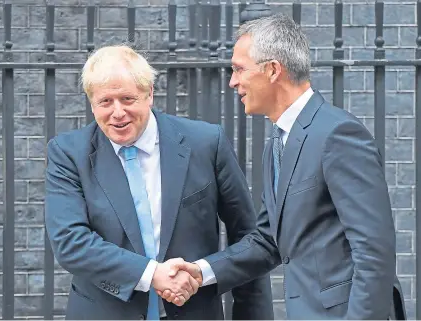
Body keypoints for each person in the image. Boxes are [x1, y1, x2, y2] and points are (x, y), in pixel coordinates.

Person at [163, 13, 407, 320]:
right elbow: (268, 241)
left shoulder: (338, 135)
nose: (232, 81)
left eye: (239, 69)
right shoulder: (279, 142)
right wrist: (201, 272)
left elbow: (374, 252)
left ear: (272, 70)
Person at [44, 44, 274, 320]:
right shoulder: (69, 153)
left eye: (127, 99)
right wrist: (152, 274)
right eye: (105, 102)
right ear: (92, 103)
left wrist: (244, 308)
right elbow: (71, 242)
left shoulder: (205, 143)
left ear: (149, 94)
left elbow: (249, 237)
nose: (117, 112)